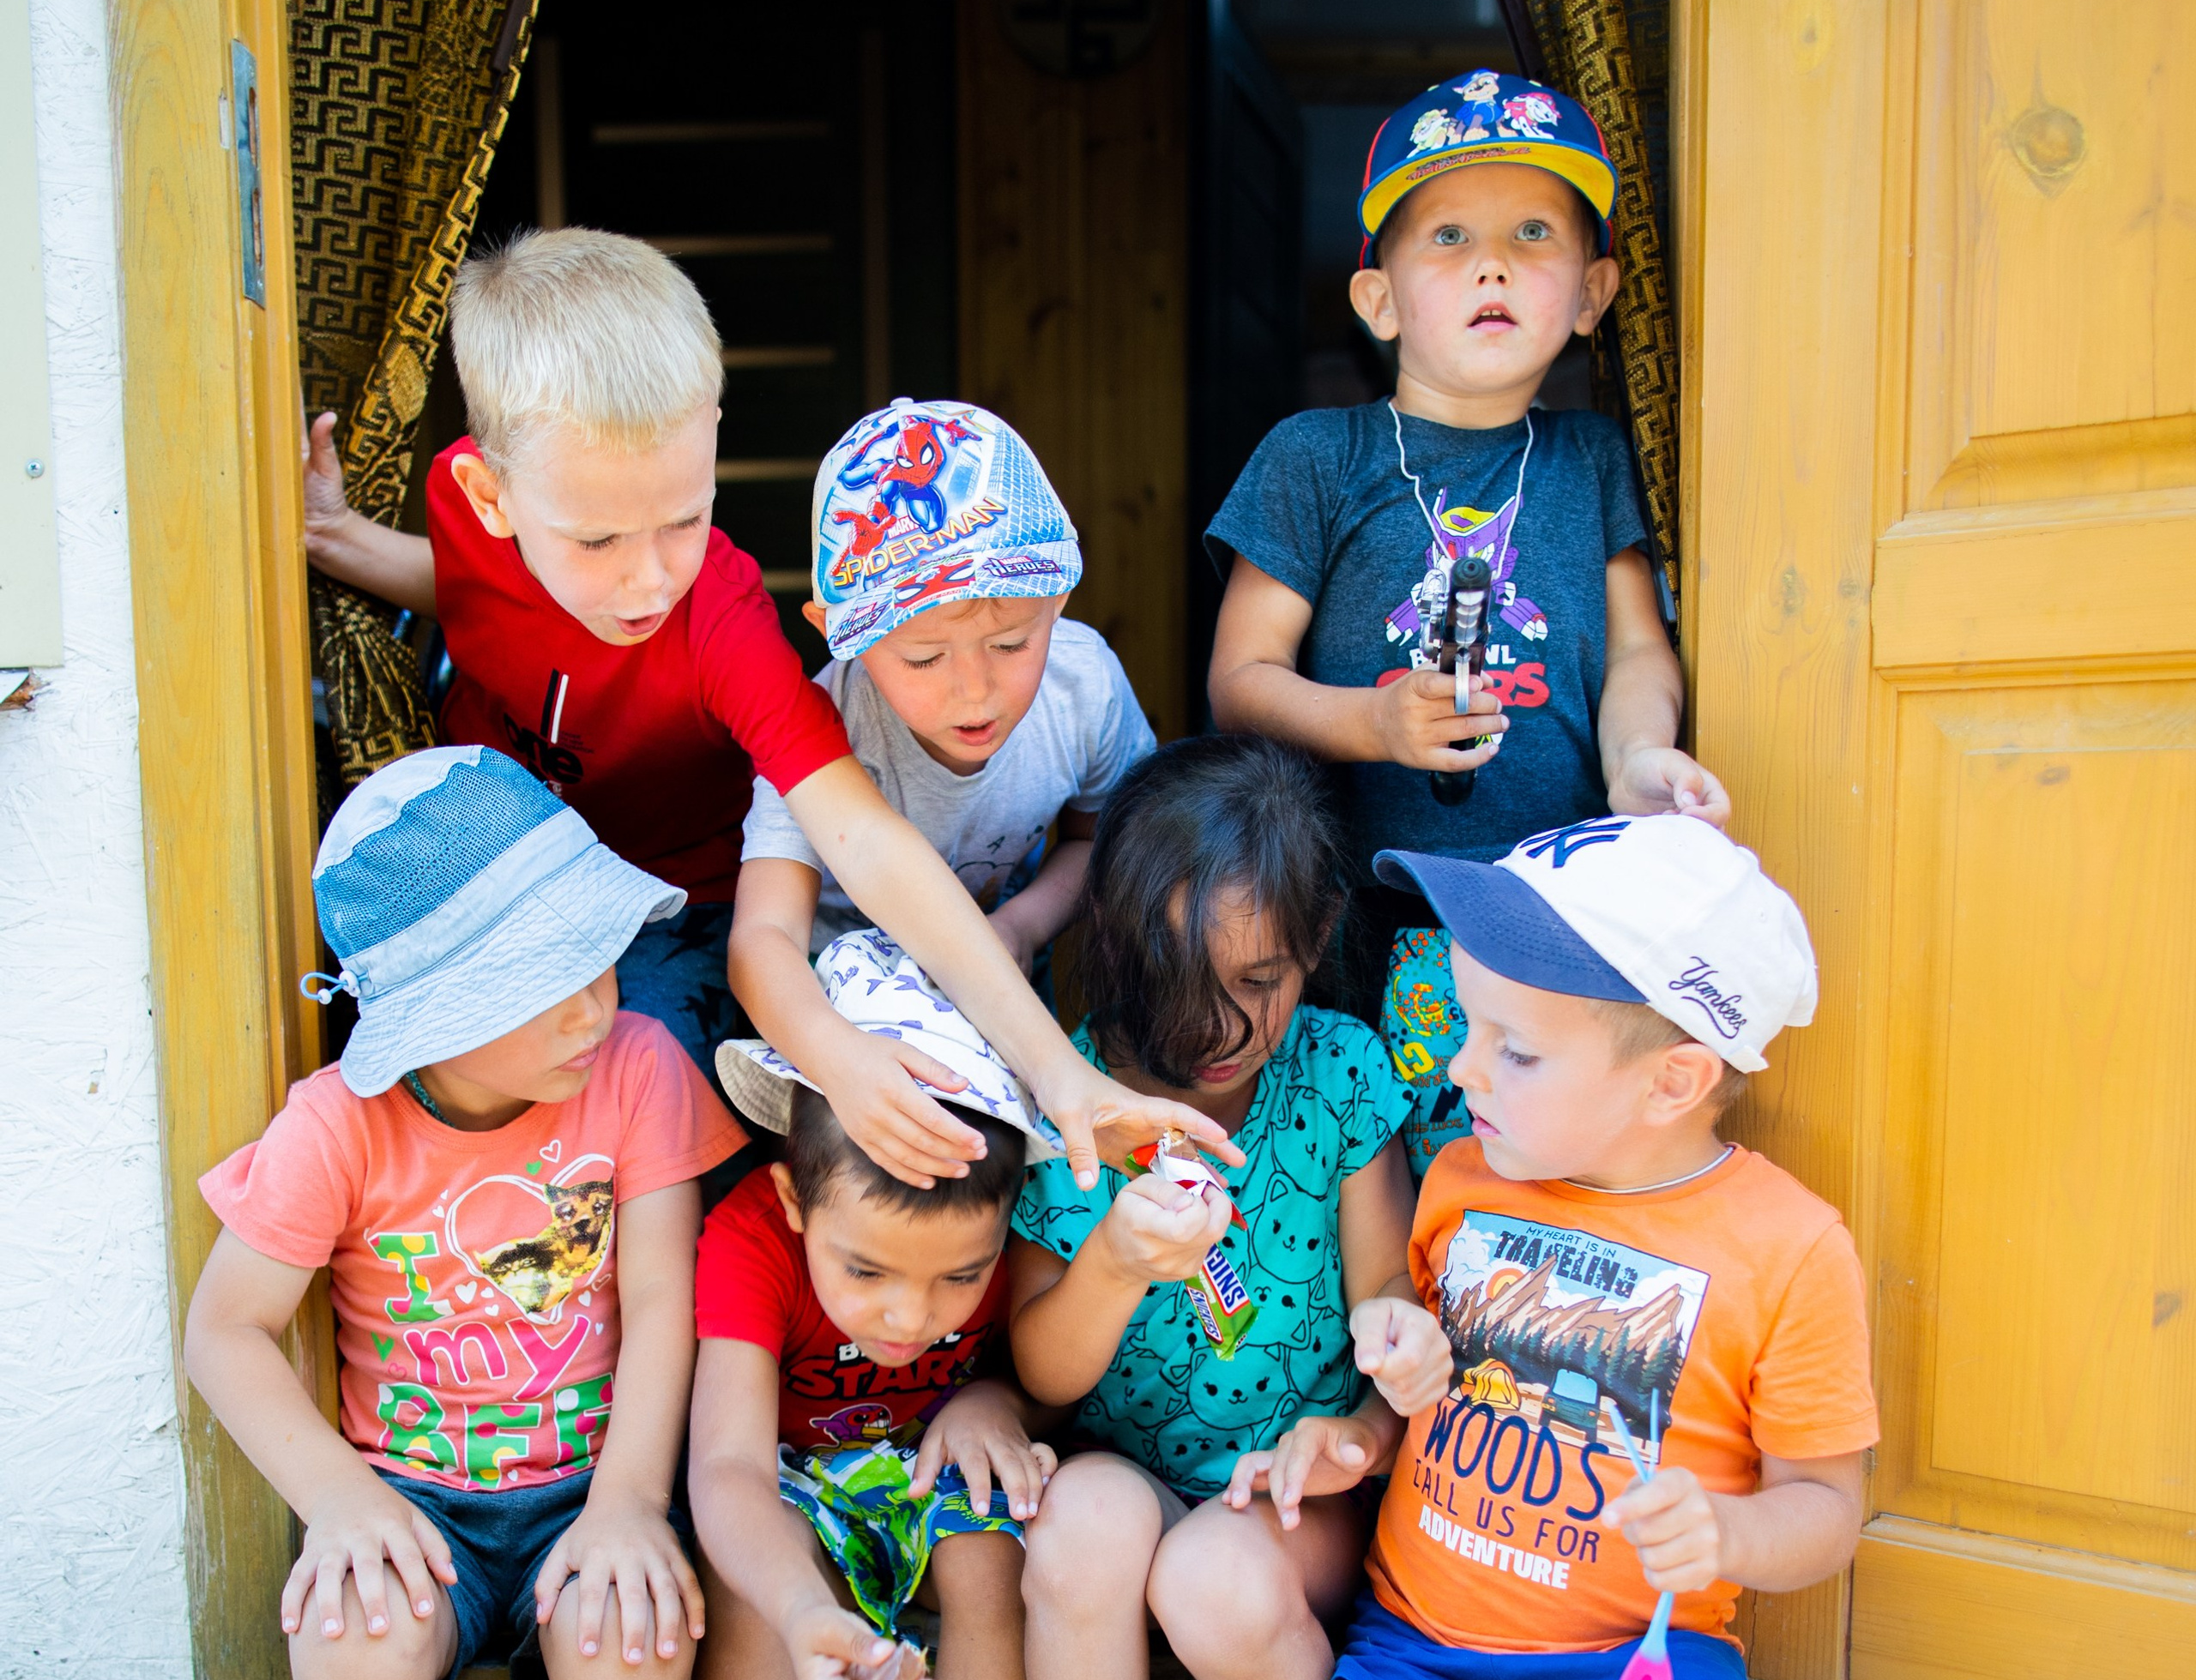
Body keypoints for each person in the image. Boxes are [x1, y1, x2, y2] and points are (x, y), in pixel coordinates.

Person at [302, 228, 1239, 1191]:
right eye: (597, 542)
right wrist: (337, 539)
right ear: (490, 496)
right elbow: (475, 589)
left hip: (673, 898)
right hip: (495, 881)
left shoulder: (724, 625)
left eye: (683, 519)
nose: (648, 579)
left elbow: (866, 843)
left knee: (641, 1097)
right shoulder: (463, 504)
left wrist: (1060, 1075)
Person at [182, 747, 743, 1680]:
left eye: (594, 958)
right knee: (349, 1650)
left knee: (634, 1655)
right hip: (412, 1503)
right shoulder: (339, 1126)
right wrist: (338, 1500)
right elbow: (226, 1332)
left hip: (587, 1494)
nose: (592, 1003)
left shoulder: (637, 1068)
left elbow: (664, 1299)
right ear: (430, 1016)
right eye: (539, 985)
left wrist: (632, 1504)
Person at [1324, 816, 1879, 1680]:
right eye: (1469, 1030)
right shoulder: (1464, 1175)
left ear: (1674, 1078)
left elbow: (1826, 1506)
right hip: (1436, 1658)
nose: (1462, 1070)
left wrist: (1729, 1528)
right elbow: (1418, 1342)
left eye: (1512, 1050)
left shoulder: (1789, 1249)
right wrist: (1396, 1352)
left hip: (1640, 1677)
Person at [1006, 737, 1482, 1680]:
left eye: (1259, 982)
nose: (1218, 1028)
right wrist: (1114, 1264)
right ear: (1114, 950)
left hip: (1298, 1487)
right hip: (1134, 1467)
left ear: (1315, 946)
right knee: (1083, 1525)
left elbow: (1388, 1303)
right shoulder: (1078, 1098)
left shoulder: (1335, 1078)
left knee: (1215, 1576)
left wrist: (1366, 1416)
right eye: (1180, 982)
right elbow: (1037, 1374)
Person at [1203, 72, 1729, 1154]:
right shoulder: (1318, 456)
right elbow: (1239, 683)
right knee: (1369, 1178)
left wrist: (1638, 760)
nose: (1493, 263)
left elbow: (1638, 650)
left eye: (1533, 233)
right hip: (1356, 913)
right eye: (1448, 236)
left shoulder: (1592, 459)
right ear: (1379, 301)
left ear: (1590, 294)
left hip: (1553, 920)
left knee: (1526, 1169)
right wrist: (1372, 722)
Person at [677, 933, 1085, 1680]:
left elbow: (1053, 1371)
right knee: (756, 1591)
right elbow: (728, 1471)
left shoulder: (1015, 1235)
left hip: (933, 1478)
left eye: (958, 1276)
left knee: (988, 1560)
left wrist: (995, 1394)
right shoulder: (747, 1239)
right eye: (864, 1270)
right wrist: (809, 1615)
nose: (910, 1317)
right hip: (793, 1486)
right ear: (795, 1200)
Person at [731, 399, 1155, 1185]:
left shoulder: (1084, 687)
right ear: (838, 632)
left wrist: (1025, 924)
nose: (974, 689)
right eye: (924, 658)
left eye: (1011, 642)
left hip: (1009, 993)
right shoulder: (816, 729)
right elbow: (763, 941)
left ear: (1060, 597)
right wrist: (837, 1056)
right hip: (837, 1021)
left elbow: (1107, 838)